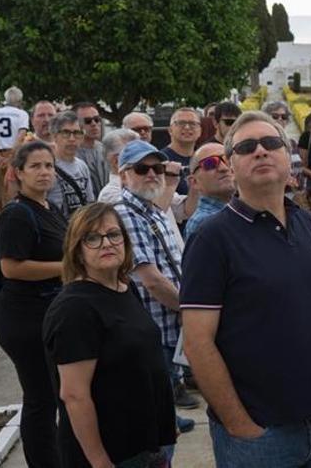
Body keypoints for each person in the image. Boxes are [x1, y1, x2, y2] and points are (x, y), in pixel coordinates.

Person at [181, 111, 311, 467]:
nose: (261, 152)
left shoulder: (306, 224)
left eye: (271, 144)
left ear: (289, 158)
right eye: (246, 147)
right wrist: (239, 423)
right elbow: (196, 342)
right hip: (258, 433)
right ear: (231, 165)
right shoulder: (213, 238)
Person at [43, 203, 177, 468]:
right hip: (113, 454)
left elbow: (145, 364)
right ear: (77, 250)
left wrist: (165, 424)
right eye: (92, 238)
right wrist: (100, 461)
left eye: (114, 234)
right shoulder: (74, 309)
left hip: (148, 444)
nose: (107, 243)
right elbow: (74, 394)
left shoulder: (125, 288)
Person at [113, 140, 200, 437]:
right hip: (154, 324)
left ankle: (169, 419)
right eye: (142, 168)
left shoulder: (149, 208)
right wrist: (191, 309)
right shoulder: (126, 213)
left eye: (158, 168)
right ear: (124, 174)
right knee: (154, 413)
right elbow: (150, 279)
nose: (152, 174)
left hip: (168, 321)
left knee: (163, 388)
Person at [0, 141, 66, 467]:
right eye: (35, 166)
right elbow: (11, 268)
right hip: (23, 318)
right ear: (18, 173)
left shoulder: (48, 208)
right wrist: (67, 268)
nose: (44, 172)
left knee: (51, 397)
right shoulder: (17, 213)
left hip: (46, 312)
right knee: (40, 399)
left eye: (49, 165)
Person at [47, 111, 96, 218]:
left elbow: (89, 202)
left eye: (77, 133)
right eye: (66, 133)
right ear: (55, 136)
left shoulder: (82, 166)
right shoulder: (47, 166)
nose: (72, 139)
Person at [184, 142, 235, 241]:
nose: (223, 168)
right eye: (210, 163)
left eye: (227, 160)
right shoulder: (203, 223)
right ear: (194, 182)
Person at [262, 101, 304, 196]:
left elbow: (299, 170)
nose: (280, 119)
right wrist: (283, 180)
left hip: (293, 197)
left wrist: (296, 182)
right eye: (275, 116)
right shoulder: (261, 144)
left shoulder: (292, 143)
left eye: (284, 117)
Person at [0, 86, 29, 169]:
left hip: (0, 154)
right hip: (16, 154)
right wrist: (10, 157)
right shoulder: (22, 114)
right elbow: (20, 138)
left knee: (3, 181)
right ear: (19, 100)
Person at [72, 102, 110, 195]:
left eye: (97, 119)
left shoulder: (107, 150)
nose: (94, 124)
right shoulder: (71, 153)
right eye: (88, 121)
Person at [162, 108, 202, 195]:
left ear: (200, 131)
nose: (187, 127)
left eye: (192, 123)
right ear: (170, 130)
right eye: (181, 123)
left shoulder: (204, 158)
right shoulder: (161, 159)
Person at [97, 129, 140, 203]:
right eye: (135, 154)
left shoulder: (138, 185)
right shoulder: (110, 194)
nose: (143, 158)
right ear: (116, 161)